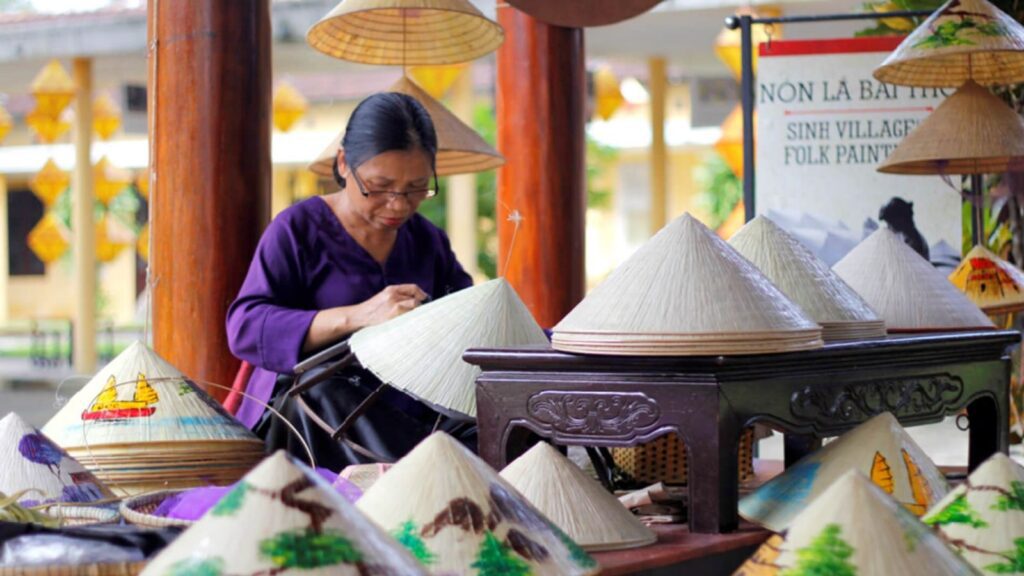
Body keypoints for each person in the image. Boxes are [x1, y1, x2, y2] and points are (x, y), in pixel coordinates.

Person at [226, 92, 474, 470]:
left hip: (409, 415)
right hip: (313, 421)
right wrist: (358, 316)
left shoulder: (427, 240)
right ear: (343, 163)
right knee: (325, 392)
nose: (398, 204)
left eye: (416, 188)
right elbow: (245, 327)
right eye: (379, 186)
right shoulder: (298, 230)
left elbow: (469, 320)